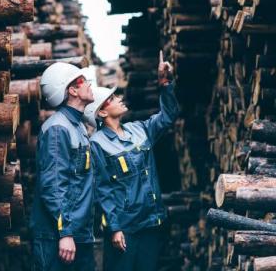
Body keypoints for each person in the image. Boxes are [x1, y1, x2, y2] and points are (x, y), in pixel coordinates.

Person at [84, 51, 179, 271]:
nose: (119, 98)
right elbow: (103, 190)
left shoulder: (139, 129)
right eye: (112, 98)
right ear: (101, 113)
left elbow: (168, 117)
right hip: (125, 230)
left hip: (151, 222)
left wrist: (165, 84)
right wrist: (115, 228)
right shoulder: (98, 143)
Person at [30, 62, 95, 271]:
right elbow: (54, 186)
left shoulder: (78, 126)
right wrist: (65, 233)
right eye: (82, 81)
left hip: (79, 234)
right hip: (57, 237)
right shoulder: (58, 129)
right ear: (72, 90)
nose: (89, 83)